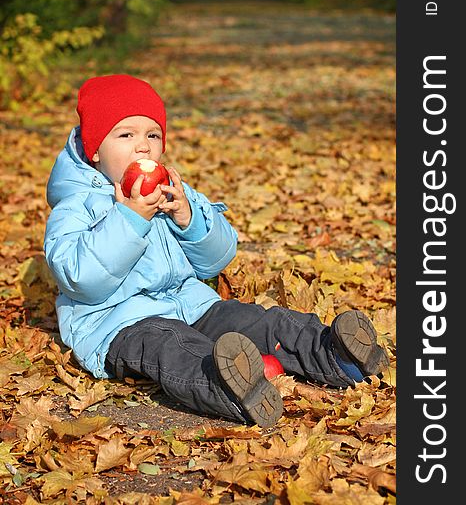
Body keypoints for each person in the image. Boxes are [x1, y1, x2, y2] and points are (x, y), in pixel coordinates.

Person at [44, 74, 389, 428]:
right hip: (119, 323)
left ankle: (336, 352)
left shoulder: (170, 190)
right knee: (175, 346)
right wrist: (129, 220)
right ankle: (230, 386)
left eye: (152, 135)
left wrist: (188, 217)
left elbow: (218, 257)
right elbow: (81, 279)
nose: (143, 147)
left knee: (259, 321)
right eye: (126, 135)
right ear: (95, 149)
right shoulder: (75, 207)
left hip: (191, 304)